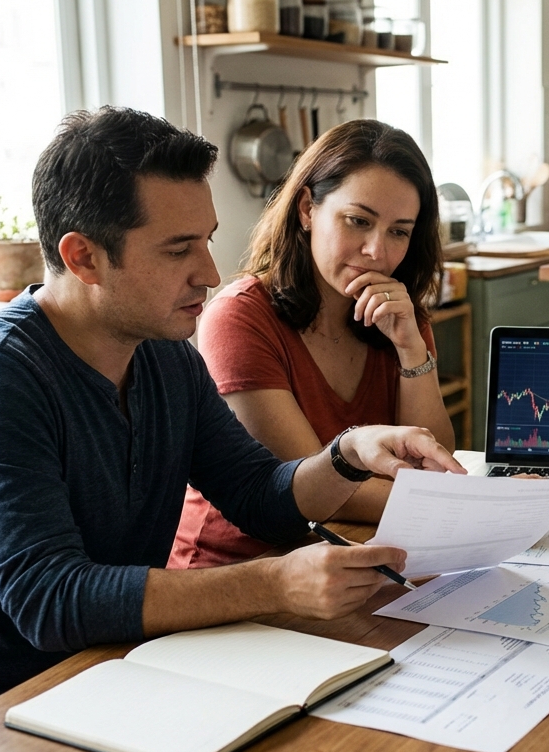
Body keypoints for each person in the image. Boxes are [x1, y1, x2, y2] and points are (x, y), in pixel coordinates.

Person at [0, 107, 463, 752]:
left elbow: (259, 494)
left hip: (115, 676)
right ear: (84, 257)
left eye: (206, 240)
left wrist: (348, 454)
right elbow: (50, 601)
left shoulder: (163, 352)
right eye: (179, 248)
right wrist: (274, 583)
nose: (209, 272)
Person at [169, 119, 452, 569]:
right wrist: (468, 505)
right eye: (358, 221)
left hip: (354, 552)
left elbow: (437, 458)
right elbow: (318, 490)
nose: (377, 251)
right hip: (241, 569)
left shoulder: (398, 313)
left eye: (399, 231)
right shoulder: (239, 316)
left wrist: (411, 350)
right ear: (306, 209)